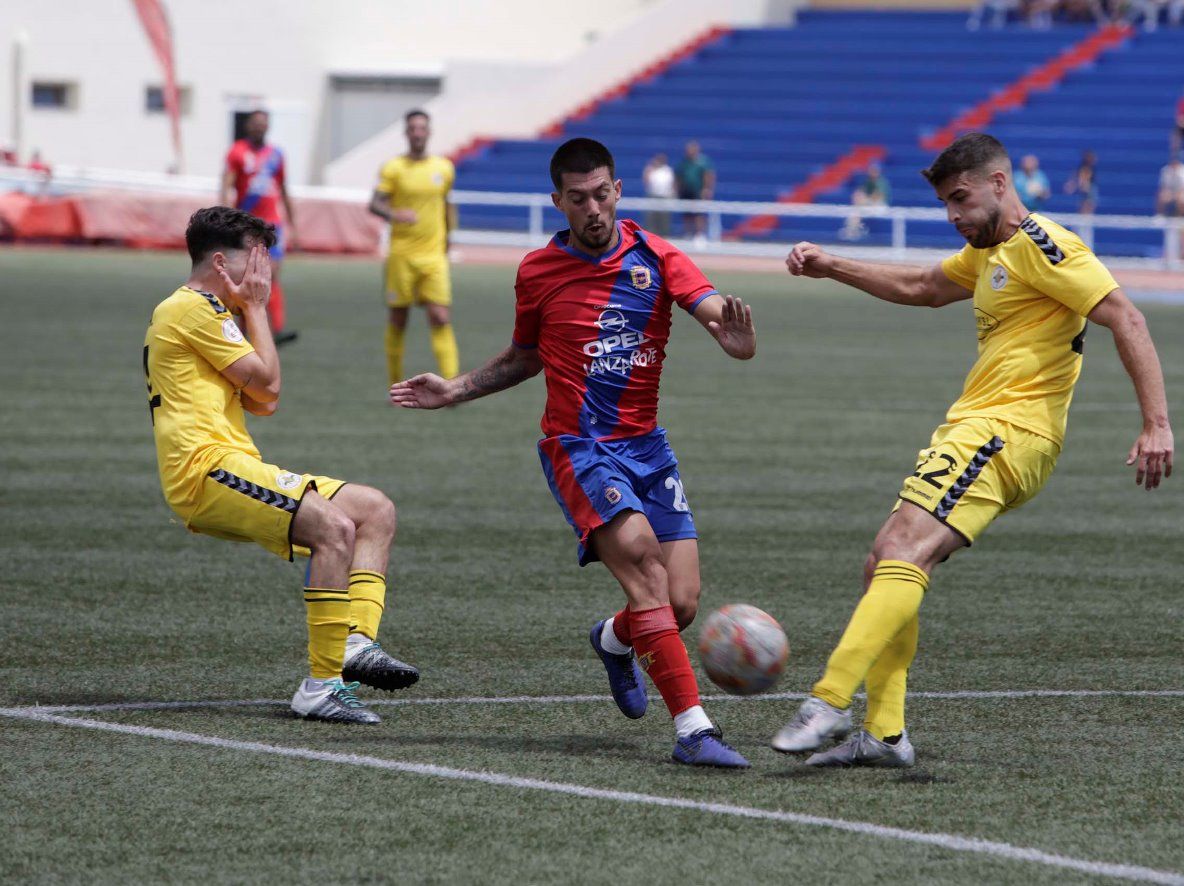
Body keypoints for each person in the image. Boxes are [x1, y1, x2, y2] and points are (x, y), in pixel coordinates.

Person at [772, 133, 1174, 767]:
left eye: (960, 199)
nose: (954, 215)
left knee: (902, 550)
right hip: (979, 427)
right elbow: (923, 286)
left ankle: (829, 699)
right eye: (944, 205)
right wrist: (833, 265)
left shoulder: (1045, 246)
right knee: (886, 562)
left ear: (998, 184)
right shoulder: (988, 254)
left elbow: (1126, 316)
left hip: (1008, 431)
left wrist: (1157, 423)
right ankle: (885, 733)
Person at [391, 138, 758, 768]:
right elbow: (525, 355)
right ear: (559, 201)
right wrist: (453, 390)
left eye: (602, 193)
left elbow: (710, 309)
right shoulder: (537, 271)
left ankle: (614, 640)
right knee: (644, 569)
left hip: (647, 446)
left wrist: (732, 332)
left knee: (680, 602)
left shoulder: (656, 255)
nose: (593, 208)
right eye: (578, 198)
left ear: (618, 191)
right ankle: (694, 731)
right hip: (579, 447)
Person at [144, 207, 418, 724]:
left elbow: (265, 401)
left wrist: (248, 315)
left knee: (374, 511)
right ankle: (322, 684)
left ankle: (354, 643)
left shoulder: (212, 313)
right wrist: (260, 309)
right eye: (257, 259)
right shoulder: (191, 310)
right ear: (222, 262)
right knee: (333, 526)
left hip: (233, 463)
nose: (264, 273)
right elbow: (268, 385)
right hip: (205, 470)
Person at [368, 110, 459, 387]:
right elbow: (374, 203)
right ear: (407, 133)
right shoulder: (394, 168)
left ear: (428, 132)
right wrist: (394, 214)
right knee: (399, 318)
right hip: (402, 256)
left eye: (422, 128)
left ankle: (453, 384)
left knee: (440, 316)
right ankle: (395, 385)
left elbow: (446, 204)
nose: (418, 133)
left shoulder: (443, 168)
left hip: (434, 256)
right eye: (413, 129)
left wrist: (449, 238)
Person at [221, 110, 297, 345]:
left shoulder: (276, 154)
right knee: (245, 276)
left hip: (272, 225)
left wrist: (293, 223)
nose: (259, 128)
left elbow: (284, 189)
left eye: (263, 124)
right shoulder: (237, 152)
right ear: (248, 126)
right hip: (245, 224)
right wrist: (225, 218)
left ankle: (276, 329)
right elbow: (227, 184)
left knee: (272, 275)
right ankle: (244, 330)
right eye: (255, 124)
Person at [675, 140, 716, 247]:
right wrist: (677, 190)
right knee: (686, 213)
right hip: (686, 191)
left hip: (698, 191)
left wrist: (707, 189)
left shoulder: (703, 162)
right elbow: (678, 177)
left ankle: (699, 235)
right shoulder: (684, 163)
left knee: (699, 214)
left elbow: (709, 175)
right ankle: (688, 233)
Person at [839, 162, 891, 241]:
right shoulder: (868, 182)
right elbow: (859, 192)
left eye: (874, 171)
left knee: (858, 211)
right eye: (871, 170)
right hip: (869, 205)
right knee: (855, 212)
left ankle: (856, 230)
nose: (872, 172)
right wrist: (858, 197)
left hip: (879, 206)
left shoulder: (881, 182)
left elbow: (877, 197)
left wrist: (864, 200)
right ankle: (852, 231)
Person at [642, 153, 675, 236]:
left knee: (664, 219)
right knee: (651, 219)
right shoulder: (651, 170)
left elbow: (672, 184)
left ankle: (664, 235)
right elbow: (646, 181)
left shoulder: (668, 170)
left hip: (664, 197)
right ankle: (650, 235)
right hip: (653, 196)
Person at [1063, 150, 1099, 214]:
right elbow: (1081, 178)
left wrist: (1073, 185)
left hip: (1089, 188)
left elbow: (1078, 178)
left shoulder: (1088, 167)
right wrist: (1073, 186)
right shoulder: (1085, 168)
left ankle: (1086, 217)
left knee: (1087, 206)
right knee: (1086, 206)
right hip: (1088, 188)